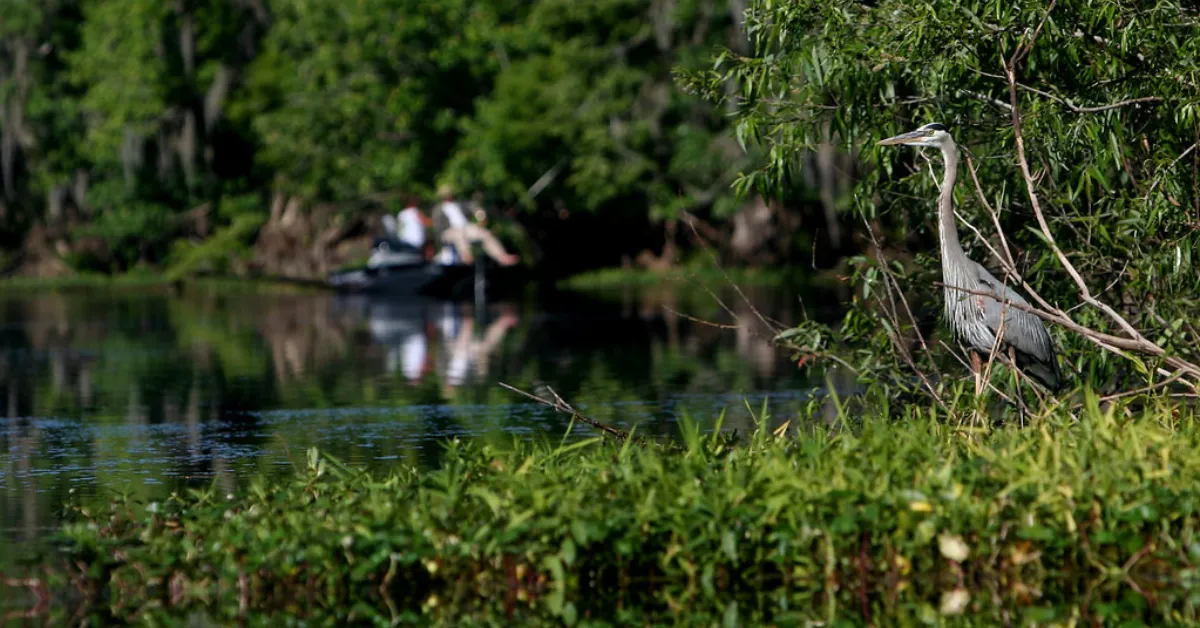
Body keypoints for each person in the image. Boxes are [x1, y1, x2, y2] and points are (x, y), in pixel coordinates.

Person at [433, 184, 519, 266]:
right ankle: (467, 257)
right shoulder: (438, 209)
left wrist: (481, 217)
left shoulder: (460, 204)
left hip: (466, 228)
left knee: (485, 233)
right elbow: (438, 228)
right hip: (449, 232)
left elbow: (476, 209)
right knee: (459, 234)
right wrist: (439, 244)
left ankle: (502, 257)